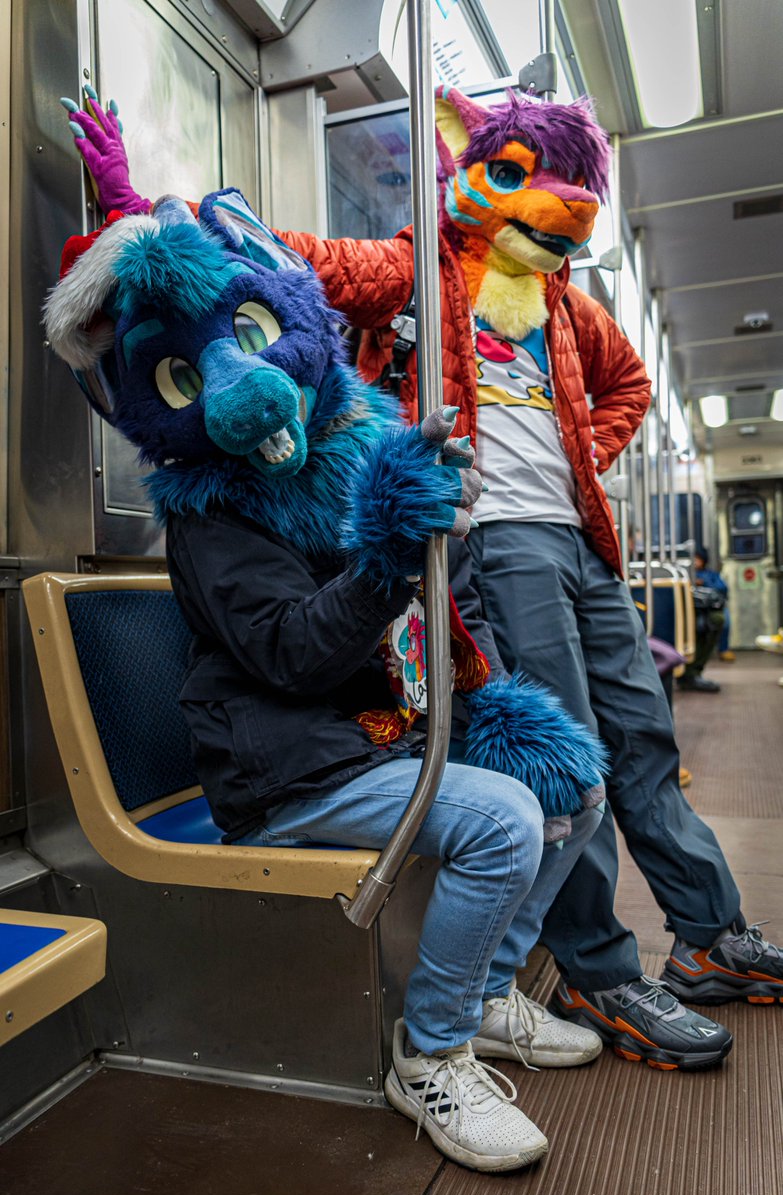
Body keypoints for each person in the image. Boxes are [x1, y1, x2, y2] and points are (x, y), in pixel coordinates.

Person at [61, 85, 783, 1067]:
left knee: (627, 743)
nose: (550, 208)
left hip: (579, 535)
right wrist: (141, 214)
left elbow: (628, 388)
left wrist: (586, 464)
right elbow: (275, 272)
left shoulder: (569, 314)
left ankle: (705, 931)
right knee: (549, 746)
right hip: (485, 527)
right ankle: (604, 973)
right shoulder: (419, 277)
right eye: (520, 177)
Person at [44, 181, 621, 1173]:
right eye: (186, 379)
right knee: (502, 821)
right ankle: (430, 1050)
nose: (242, 388)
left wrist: (434, 532)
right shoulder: (213, 516)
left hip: (362, 734)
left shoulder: (345, 454)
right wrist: (386, 561)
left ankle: (478, 997)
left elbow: (423, 611)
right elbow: (296, 655)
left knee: (577, 788)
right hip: (282, 770)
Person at [676, 548, 727, 692]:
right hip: (686, 611)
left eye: (698, 558)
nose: (695, 562)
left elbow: (722, 589)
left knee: (718, 620)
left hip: (705, 610)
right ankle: (687, 672)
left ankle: (693, 671)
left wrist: (703, 583)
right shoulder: (683, 574)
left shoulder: (710, 575)